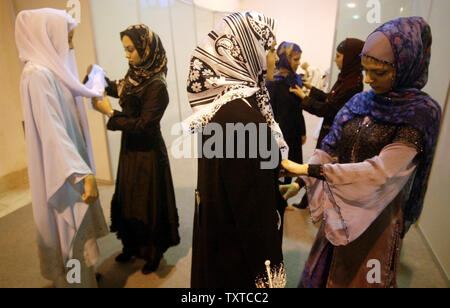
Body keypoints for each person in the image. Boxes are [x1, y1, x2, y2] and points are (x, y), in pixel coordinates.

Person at [280, 17, 441, 288]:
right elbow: (330, 146)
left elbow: (382, 172)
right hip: (340, 206)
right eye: (366, 70)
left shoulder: (420, 114)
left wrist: (310, 170)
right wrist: (300, 182)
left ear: (405, 67)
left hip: (376, 217)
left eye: (378, 73)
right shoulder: (361, 101)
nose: (368, 79)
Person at [183, 12, 288, 288]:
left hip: (219, 236)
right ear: (249, 51)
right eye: (271, 49)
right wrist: (271, 280)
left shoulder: (223, 106)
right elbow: (254, 219)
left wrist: (272, 187)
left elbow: (235, 183)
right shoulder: (244, 119)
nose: (275, 58)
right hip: (236, 254)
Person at [16, 8, 109, 288]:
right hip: (65, 171)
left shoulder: (51, 71)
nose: (70, 45)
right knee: (68, 229)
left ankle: (85, 280)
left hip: (69, 166)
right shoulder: (37, 75)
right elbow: (53, 131)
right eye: (67, 38)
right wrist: (81, 174)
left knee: (79, 230)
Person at [90, 25, 180, 275]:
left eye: (131, 49)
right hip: (130, 149)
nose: (127, 55)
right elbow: (119, 89)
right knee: (128, 198)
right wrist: (97, 78)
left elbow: (144, 125)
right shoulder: (135, 75)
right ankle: (130, 245)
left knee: (147, 202)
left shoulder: (156, 85)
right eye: (125, 50)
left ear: (146, 48)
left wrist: (110, 113)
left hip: (148, 153)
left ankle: (152, 253)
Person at [291, 38, 365, 148]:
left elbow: (329, 109)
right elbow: (331, 98)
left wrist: (304, 97)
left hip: (335, 140)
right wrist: (311, 88)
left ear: (350, 59)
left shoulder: (353, 85)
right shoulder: (345, 79)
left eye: (338, 56)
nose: (335, 60)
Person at [266, 42, 307, 185]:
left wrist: (302, 131)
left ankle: (283, 204)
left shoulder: (295, 80)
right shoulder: (273, 82)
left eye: (299, 59)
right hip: (279, 136)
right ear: (285, 58)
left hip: (293, 135)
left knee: (289, 172)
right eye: (295, 60)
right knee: (276, 175)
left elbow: (298, 108)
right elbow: (270, 112)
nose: (298, 63)